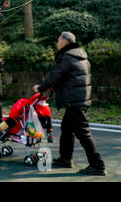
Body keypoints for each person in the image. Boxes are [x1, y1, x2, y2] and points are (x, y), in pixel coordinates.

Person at [33, 32, 106, 176]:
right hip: (80, 98)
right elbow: (67, 78)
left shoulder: (67, 57)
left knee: (83, 132)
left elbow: (56, 74)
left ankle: (98, 165)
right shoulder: (79, 56)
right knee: (66, 128)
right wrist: (51, 89)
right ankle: (66, 158)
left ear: (64, 43)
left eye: (58, 40)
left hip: (75, 101)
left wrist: (41, 88)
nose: (57, 43)